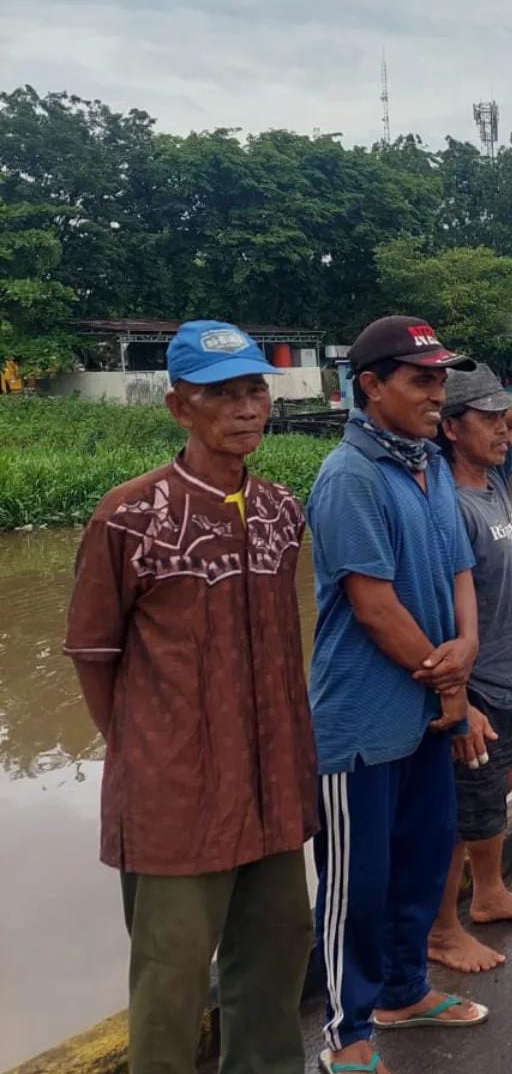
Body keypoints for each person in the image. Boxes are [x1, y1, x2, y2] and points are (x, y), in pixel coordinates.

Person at [63, 320, 316, 1073]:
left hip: (273, 787)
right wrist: (147, 752)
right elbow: (93, 654)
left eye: (254, 390)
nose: (246, 409)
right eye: (222, 395)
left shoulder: (279, 510)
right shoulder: (130, 516)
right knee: (170, 987)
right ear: (181, 408)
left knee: (274, 967)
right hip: (174, 801)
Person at [307, 317, 488, 1074]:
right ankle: (346, 1034)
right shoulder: (349, 477)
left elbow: (459, 573)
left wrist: (468, 651)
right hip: (362, 721)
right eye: (421, 380)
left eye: (442, 379)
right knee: (359, 884)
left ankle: (405, 992)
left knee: (421, 858)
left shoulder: (430, 466)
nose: (437, 394)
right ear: (370, 386)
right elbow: (375, 607)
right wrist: (453, 688)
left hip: (428, 712)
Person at [427, 365, 512, 973]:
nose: (504, 429)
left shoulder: (496, 476)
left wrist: (494, 404)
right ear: (450, 428)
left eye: (503, 420)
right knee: (458, 811)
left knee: (496, 789)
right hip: (475, 686)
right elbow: (436, 612)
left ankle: (492, 894)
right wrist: (462, 701)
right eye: (486, 420)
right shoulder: (448, 503)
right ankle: (443, 929)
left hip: (509, 678)